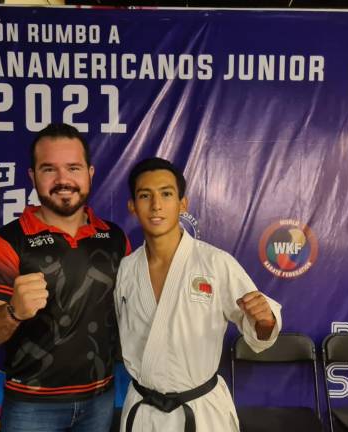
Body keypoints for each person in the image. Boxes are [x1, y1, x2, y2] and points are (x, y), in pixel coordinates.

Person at [0, 123, 130, 432]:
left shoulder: (115, 238)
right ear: (33, 176)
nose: (63, 180)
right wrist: (13, 311)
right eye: (49, 169)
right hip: (31, 407)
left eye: (73, 167)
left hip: (100, 399)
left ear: (90, 172)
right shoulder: (7, 242)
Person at [115, 157, 282, 432]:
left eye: (166, 194)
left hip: (200, 411)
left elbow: (260, 332)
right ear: (133, 206)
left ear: (183, 204)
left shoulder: (216, 263)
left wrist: (265, 321)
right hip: (144, 413)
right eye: (145, 196)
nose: (156, 205)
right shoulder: (127, 269)